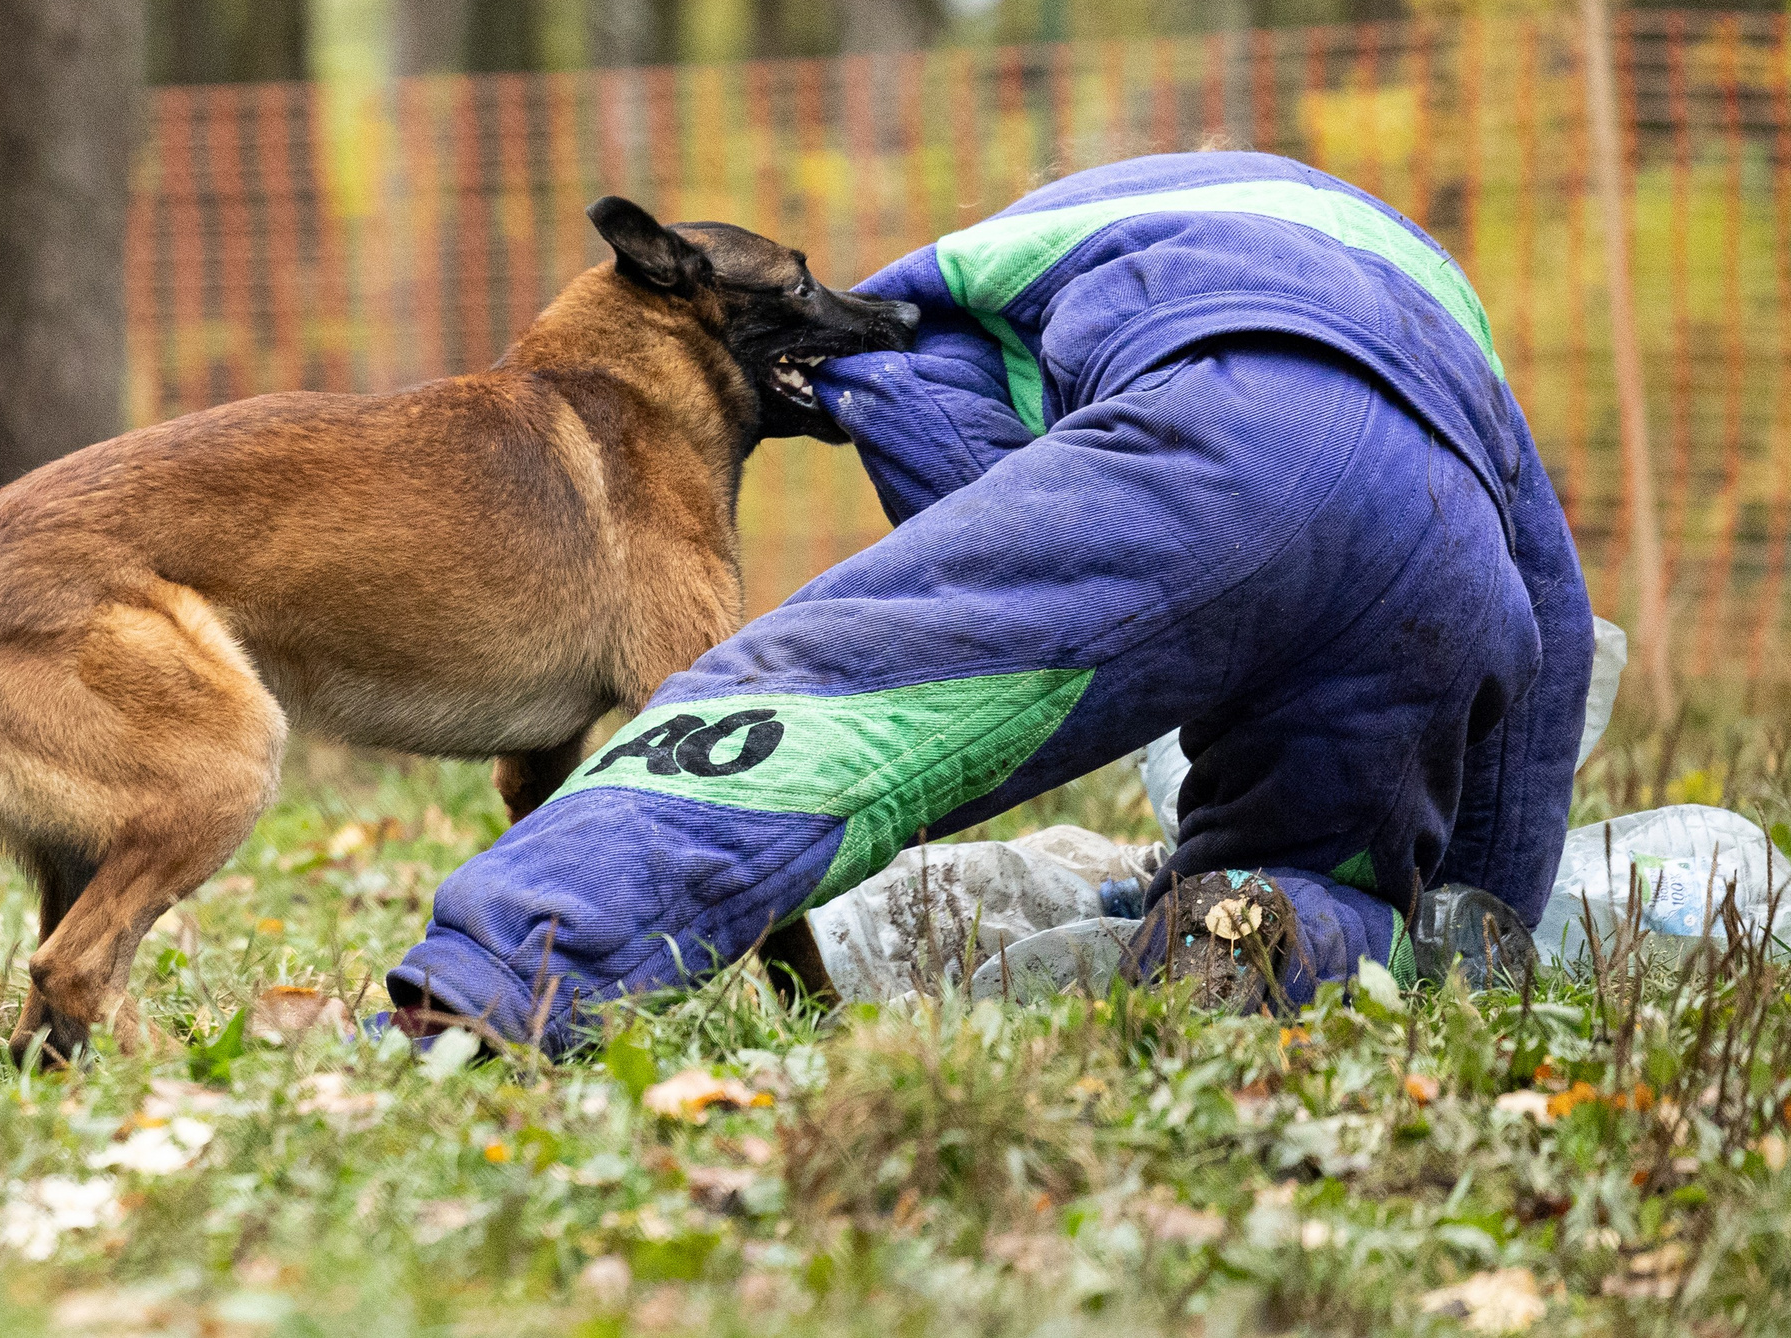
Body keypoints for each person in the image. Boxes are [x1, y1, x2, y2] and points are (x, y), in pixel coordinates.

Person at [387, 151, 1592, 1052]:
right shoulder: (1425, 281)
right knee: (1318, 874)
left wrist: (853, 402)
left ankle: (486, 983)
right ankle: (1268, 923)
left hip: (1230, 445)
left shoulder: (1026, 243)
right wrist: (1490, 886)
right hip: (1448, 552)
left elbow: (931, 411)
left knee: (821, 704)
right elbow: (1553, 614)